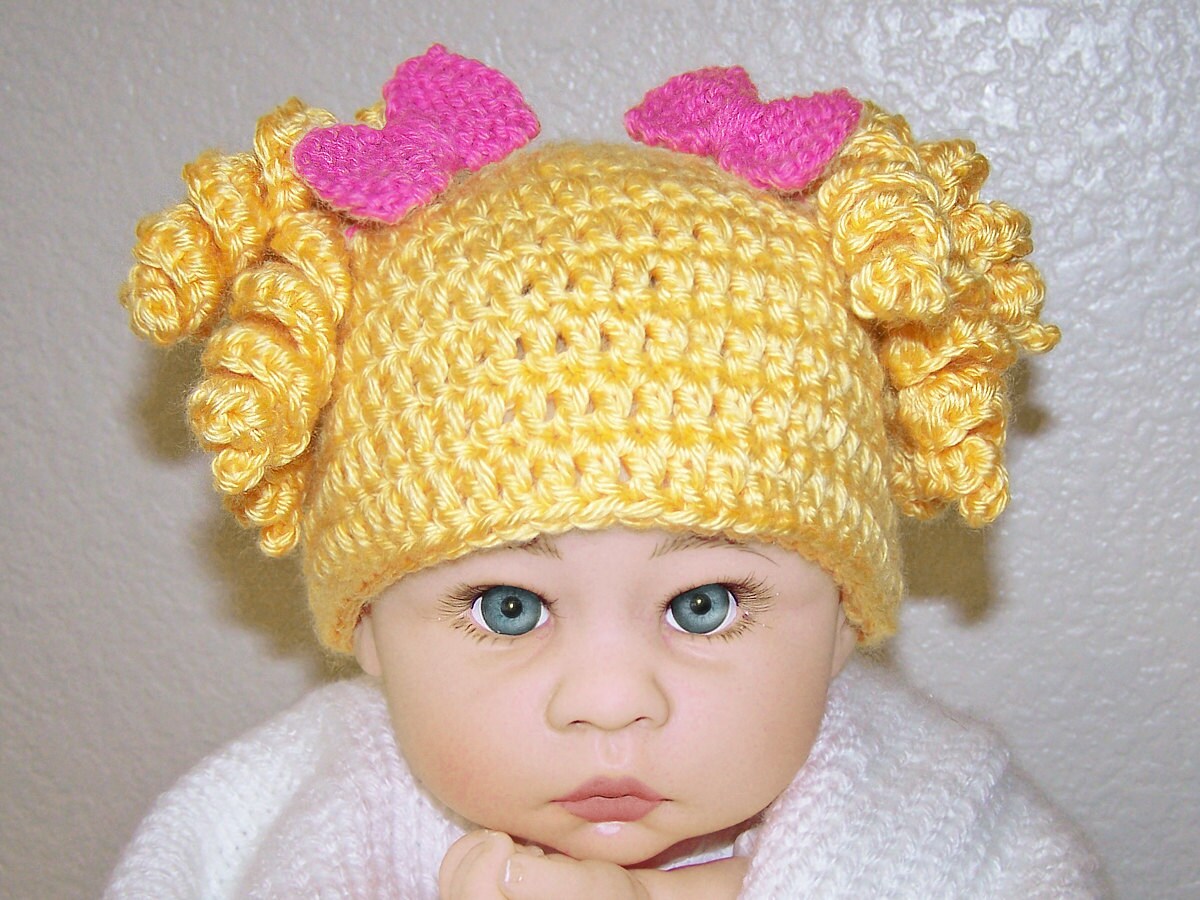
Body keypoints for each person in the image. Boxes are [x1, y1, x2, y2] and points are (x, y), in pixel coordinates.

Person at [107, 45, 1101, 898]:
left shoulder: (943, 827)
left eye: (704, 604)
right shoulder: (261, 827)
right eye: (508, 608)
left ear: (845, 617)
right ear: (368, 627)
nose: (612, 698)